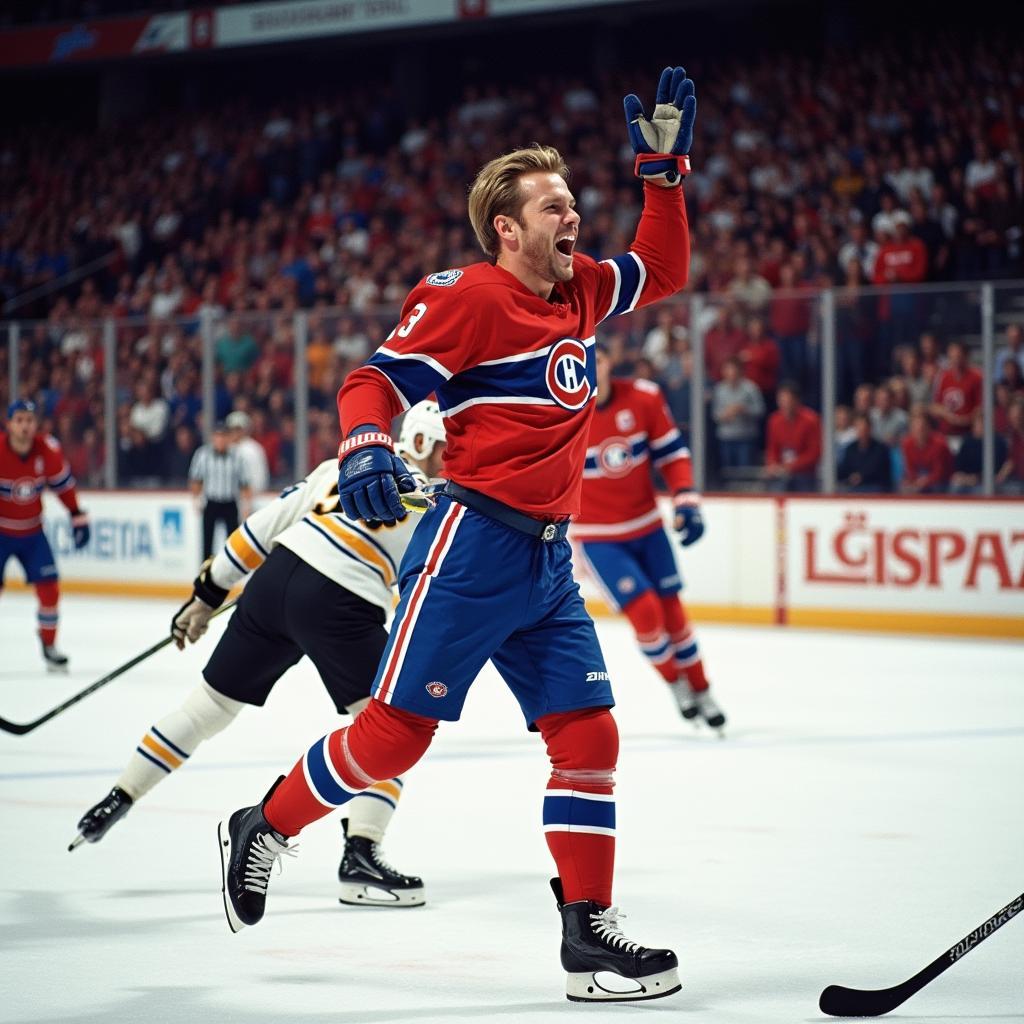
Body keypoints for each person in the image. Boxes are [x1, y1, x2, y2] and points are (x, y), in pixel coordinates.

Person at [219, 67, 697, 1003]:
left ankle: (585, 934)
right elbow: (373, 380)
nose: (574, 219)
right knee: (396, 736)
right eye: (554, 207)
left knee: (588, 733)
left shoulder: (584, 290)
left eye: (574, 203)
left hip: (551, 561)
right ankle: (266, 826)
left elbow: (665, 268)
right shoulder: (467, 297)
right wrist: (363, 443)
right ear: (506, 229)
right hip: (472, 547)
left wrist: (664, 178)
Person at [72, 402, 445, 908]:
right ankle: (360, 854)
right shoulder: (440, 501)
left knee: (204, 710)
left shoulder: (342, 465)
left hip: (276, 577)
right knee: (390, 728)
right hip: (343, 600)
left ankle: (120, 796)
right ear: (423, 443)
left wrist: (207, 594)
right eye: (448, 446)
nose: (453, 456)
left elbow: (261, 529)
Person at [573, 345, 726, 730]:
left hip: (648, 526)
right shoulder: (562, 411)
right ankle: (675, 683)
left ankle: (702, 689)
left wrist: (686, 500)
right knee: (646, 614)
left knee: (674, 614)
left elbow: (672, 453)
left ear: (610, 364)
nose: (592, 367)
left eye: (599, 359)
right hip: (598, 537)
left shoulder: (644, 397)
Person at [0, 400, 90, 670]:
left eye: (30, 420)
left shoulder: (47, 449)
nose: (25, 426)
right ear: (9, 424)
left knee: (50, 589)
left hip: (33, 532)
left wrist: (77, 514)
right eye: (19, 420)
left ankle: (49, 646)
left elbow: (63, 486)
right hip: (1, 532)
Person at [189, 421, 252, 562]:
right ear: (213, 437)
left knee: (232, 542)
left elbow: (245, 483)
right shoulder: (203, 455)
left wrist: (246, 505)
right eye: (218, 436)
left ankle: (230, 570)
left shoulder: (238, 457)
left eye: (224, 436)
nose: (221, 440)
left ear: (229, 438)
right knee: (207, 541)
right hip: (211, 502)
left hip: (230, 503)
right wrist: (196, 498)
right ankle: (206, 572)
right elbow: (196, 479)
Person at [763, 381, 821, 492]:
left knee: (800, 483)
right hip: (781, 473)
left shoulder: (811, 420)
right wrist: (773, 464)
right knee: (773, 484)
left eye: (787, 400)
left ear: (796, 401)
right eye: (781, 400)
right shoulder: (774, 421)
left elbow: (814, 453)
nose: (784, 404)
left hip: (804, 473)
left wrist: (790, 467)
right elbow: (772, 448)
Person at [711, 355, 764, 471]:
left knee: (744, 474)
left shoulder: (750, 388)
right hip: (726, 437)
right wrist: (725, 414)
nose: (731, 374)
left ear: (740, 371)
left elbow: (760, 410)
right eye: (727, 370)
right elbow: (715, 414)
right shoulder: (719, 389)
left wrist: (744, 410)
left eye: (733, 370)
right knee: (727, 473)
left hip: (746, 437)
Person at [901, 406, 952, 493]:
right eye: (915, 427)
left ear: (929, 428)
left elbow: (939, 473)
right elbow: (910, 468)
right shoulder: (906, 443)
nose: (919, 431)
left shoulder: (939, 444)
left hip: (942, 482)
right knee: (904, 487)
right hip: (919, 480)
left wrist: (926, 481)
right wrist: (914, 480)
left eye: (922, 428)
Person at [838, 413, 892, 492]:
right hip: (853, 488)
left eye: (864, 428)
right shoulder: (850, 449)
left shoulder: (880, 449)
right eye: (859, 428)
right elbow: (844, 469)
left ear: (870, 429)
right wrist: (850, 477)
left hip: (875, 488)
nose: (861, 431)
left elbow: (879, 471)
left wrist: (861, 476)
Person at [226, 410, 270, 494]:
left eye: (238, 429)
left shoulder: (253, 449)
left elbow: (260, 477)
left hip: (251, 496)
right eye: (231, 429)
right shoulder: (226, 448)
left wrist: (252, 492)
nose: (234, 432)